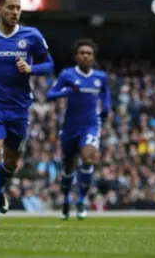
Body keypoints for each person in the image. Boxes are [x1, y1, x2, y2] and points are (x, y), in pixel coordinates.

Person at [0, 0, 53, 227]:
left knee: (11, 162)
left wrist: (31, 69)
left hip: (19, 109)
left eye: (18, 8)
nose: (15, 12)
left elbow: (49, 64)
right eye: (11, 7)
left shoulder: (32, 36)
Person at [46, 38, 110, 221]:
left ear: (93, 57)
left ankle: (81, 199)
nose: (85, 56)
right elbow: (50, 94)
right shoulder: (67, 75)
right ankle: (66, 198)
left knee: (88, 158)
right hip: (69, 128)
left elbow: (105, 95)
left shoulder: (100, 77)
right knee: (68, 167)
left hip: (90, 125)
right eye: (82, 53)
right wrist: (64, 92)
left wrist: (105, 108)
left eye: (89, 53)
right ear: (76, 56)